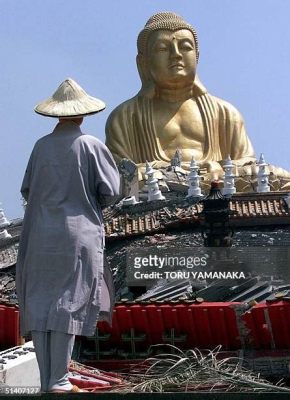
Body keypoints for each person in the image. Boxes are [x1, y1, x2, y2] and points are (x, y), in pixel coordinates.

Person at [16, 78, 120, 393]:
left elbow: (26, 189)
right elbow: (111, 191)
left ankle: (48, 379)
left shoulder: (40, 146)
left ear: (56, 114)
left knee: (41, 302)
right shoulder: (90, 145)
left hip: (38, 234)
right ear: (82, 114)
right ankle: (60, 379)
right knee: (68, 302)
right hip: (76, 233)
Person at [105, 12, 290, 182]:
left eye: (185, 47)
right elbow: (117, 174)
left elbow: (247, 164)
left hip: (217, 184)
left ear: (197, 56)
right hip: (159, 188)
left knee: (272, 174)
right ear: (143, 62)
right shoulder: (125, 117)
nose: (176, 55)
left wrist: (220, 170)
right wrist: (166, 172)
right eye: (163, 49)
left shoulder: (224, 112)